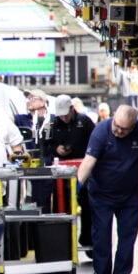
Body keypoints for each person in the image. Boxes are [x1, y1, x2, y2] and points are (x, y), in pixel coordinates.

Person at [77, 105, 138, 274]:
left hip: (129, 195)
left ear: (133, 126)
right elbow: (88, 161)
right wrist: (77, 187)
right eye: (117, 126)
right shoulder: (101, 131)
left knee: (128, 237)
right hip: (101, 195)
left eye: (124, 129)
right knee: (101, 236)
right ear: (113, 117)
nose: (119, 131)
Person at [50, 94, 96, 246]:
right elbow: (46, 145)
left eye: (66, 114)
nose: (64, 118)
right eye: (61, 116)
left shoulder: (85, 121)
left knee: (87, 203)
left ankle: (87, 238)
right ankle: (63, 241)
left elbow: (96, 143)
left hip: (84, 171)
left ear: (72, 108)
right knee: (61, 205)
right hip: (61, 173)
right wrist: (56, 149)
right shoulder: (53, 124)